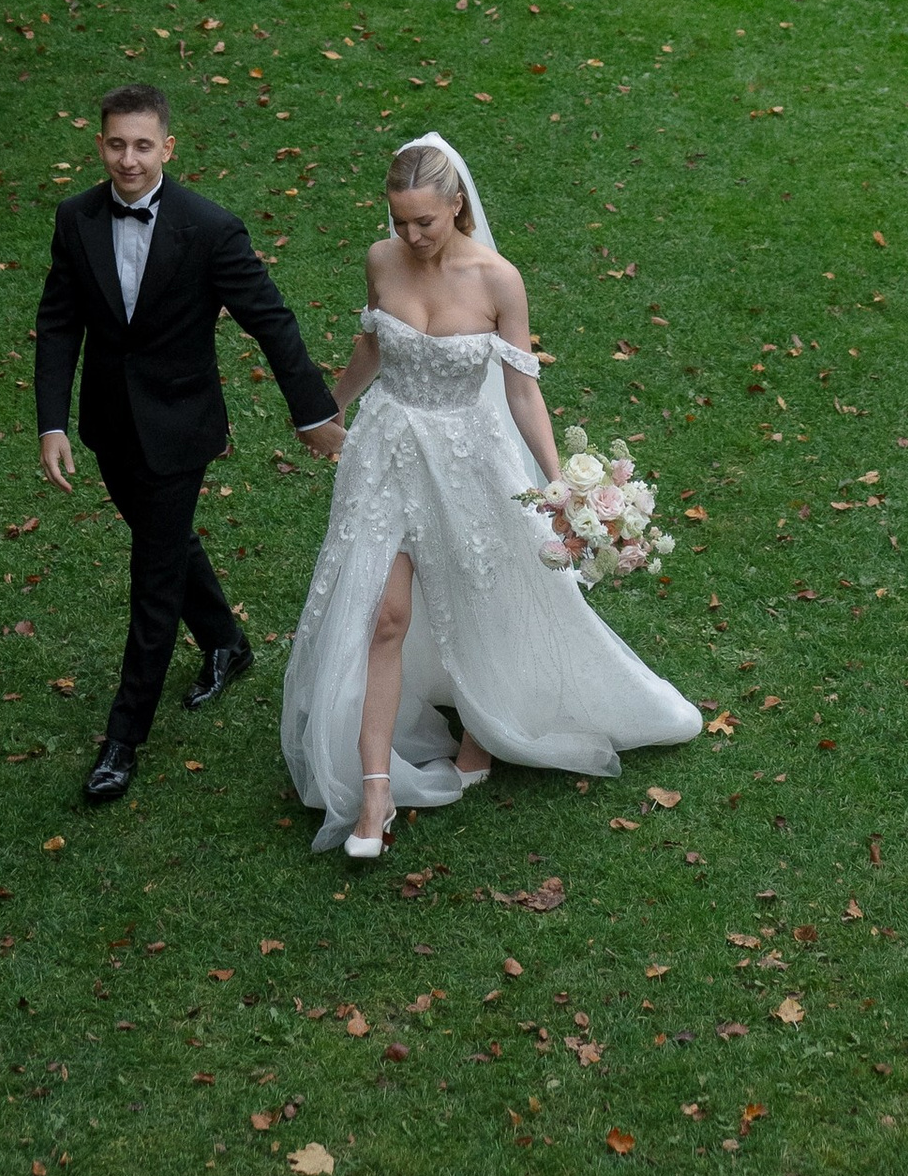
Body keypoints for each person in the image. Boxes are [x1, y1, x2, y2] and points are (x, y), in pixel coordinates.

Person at [280, 131, 701, 859]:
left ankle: (483, 730)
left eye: (424, 222)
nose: (408, 236)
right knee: (384, 615)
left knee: (482, 596)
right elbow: (374, 346)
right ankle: (375, 790)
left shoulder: (497, 279)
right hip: (387, 452)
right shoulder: (382, 261)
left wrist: (559, 478)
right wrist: (326, 410)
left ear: (457, 206)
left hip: (469, 455)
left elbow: (522, 388)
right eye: (398, 219)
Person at [34, 78, 345, 804]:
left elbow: (271, 320)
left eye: (143, 145)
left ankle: (123, 738)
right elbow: (58, 323)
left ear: (167, 147)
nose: (129, 159)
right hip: (110, 426)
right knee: (165, 543)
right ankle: (226, 643)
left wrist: (313, 413)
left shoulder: (209, 228)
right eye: (116, 144)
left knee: (153, 575)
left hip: (180, 430)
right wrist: (52, 421)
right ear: (100, 143)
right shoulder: (75, 218)